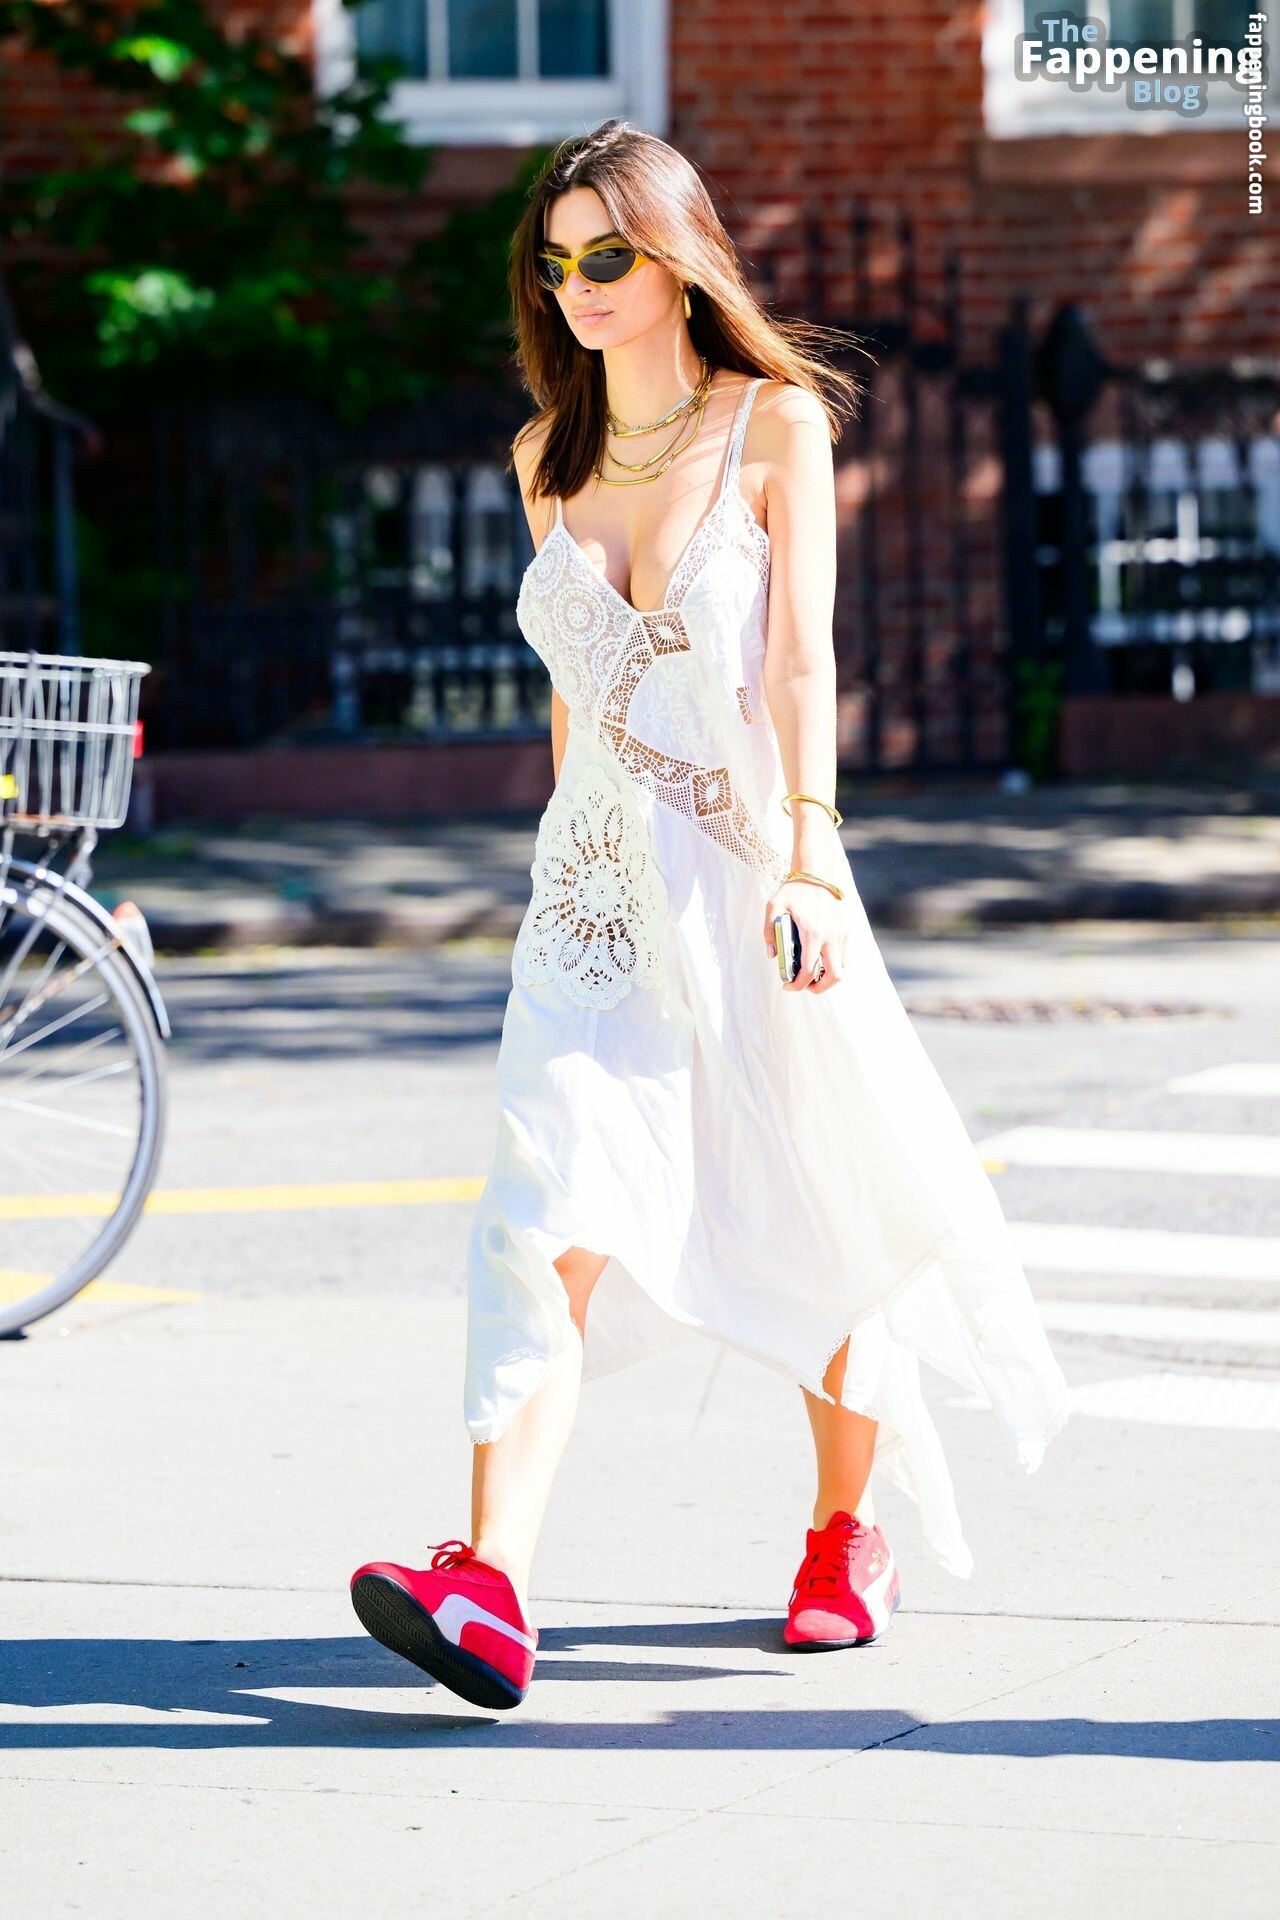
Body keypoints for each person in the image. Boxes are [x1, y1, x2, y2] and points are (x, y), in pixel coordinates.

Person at [350, 119, 1069, 1713]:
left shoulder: (772, 424)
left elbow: (802, 661)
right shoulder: (544, 460)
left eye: (609, 253)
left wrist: (811, 856)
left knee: (816, 1201)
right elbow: (571, 705)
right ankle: (490, 1583)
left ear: (676, 257)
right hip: (592, 894)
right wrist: (561, 873)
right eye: (558, 263)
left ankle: (844, 1533)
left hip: (750, 875)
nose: (582, 285)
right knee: (539, 1209)